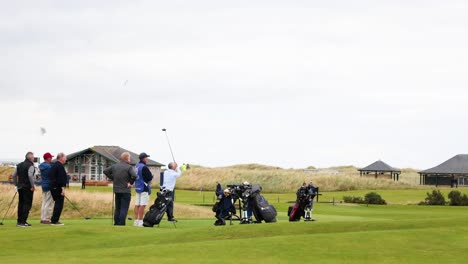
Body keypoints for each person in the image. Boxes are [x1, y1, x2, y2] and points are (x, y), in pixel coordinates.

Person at [104, 152, 137, 226]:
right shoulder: (129, 167)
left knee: (118, 208)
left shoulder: (114, 166)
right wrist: (130, 183)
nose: (130, 159)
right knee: (124, 208)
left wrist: (113, 178)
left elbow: (105, 171)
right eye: (129, 158)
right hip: (125, 190)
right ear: (127, 158)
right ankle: (121, 223)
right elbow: (134, 175)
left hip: (117, 190)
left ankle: (116, 223)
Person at [12, 152, 36, 227]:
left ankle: (19, 221)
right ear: (31, 158)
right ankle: (23, 222)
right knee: (27, 204)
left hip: (20, 187)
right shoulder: (31, 165)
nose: (33, 158)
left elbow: (14, 175)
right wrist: (32, 185)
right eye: (33, 157)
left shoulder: (19, 165)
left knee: (21, 203)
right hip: (27, 187)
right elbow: (30, 175)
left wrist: (16, 184)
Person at [133, 152, 153, 227]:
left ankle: (136, 221)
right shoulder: (144, 167)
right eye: (146, 158)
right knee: (142, 205)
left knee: (137, 204)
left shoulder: (136, 166)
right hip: (144, 187)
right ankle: (141, 221)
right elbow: (150, 177)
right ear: (143, 158)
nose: (147, 159)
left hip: (137, 186)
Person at [49, 152, 68, 225]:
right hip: (57, 188)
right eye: (65, 157)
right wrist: (63, 189)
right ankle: (54, 220)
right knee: (59, 204)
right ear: (61, 158)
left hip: (53, 187)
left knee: (57, 204)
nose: (66, 159)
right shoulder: (59, 166)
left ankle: (53, 219)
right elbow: (61, 179)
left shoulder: (54, 165)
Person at [39, 152, 55, 224]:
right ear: (48, 158)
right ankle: (46, 219)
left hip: (44, 185)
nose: (51, 159)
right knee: (49, 203)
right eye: (51, 157)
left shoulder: (41, 166)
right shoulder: (49, 167)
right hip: (49, 185)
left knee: (44, 202)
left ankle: (43, 218)